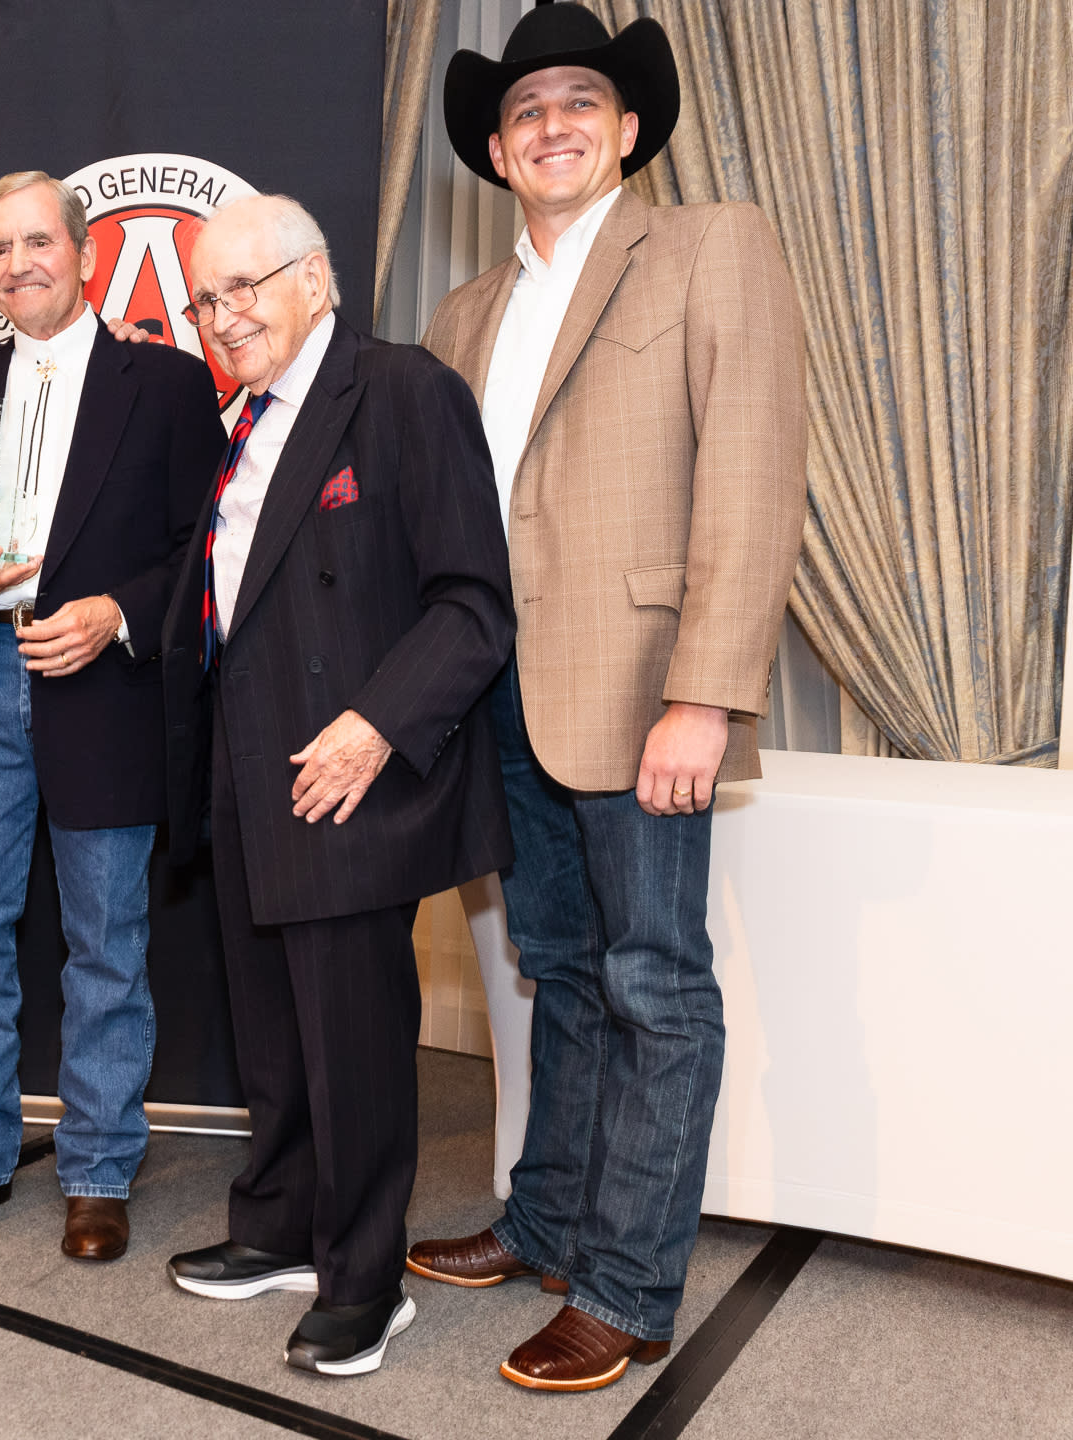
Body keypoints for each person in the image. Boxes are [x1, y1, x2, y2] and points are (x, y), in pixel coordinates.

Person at [405, 3, 808, 1393]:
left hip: (643, 694)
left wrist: (706, 694)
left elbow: (752, 472)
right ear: (497, 153)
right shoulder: (462, 314)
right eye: (525, 111)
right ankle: (548, 1224)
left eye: (580, 101)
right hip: (502, 703)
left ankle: (628, 1288)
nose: (552, 125)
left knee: (654, 984)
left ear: (629, 130)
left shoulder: (711, 246)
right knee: (560, 971)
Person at [159, 194, 515, 1376]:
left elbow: (472, 603)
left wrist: (374, 727)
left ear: (315, 279)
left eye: (243, 289)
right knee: (271, 1026)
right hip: (245, 763)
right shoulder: (245, 420)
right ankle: (280, 1230)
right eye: (205, 300)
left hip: (348, 770)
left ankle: (365, 1280)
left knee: (351, 1036)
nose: (223, 316)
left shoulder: (405, 393)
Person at [0, 172, 223, 1260]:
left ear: (85, 254)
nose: (18, 263)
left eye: (38, 242)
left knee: (107, 945)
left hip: (102, 689)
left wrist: (116, 615)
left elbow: (205, 552)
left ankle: (100, 1167)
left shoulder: (165, 385)